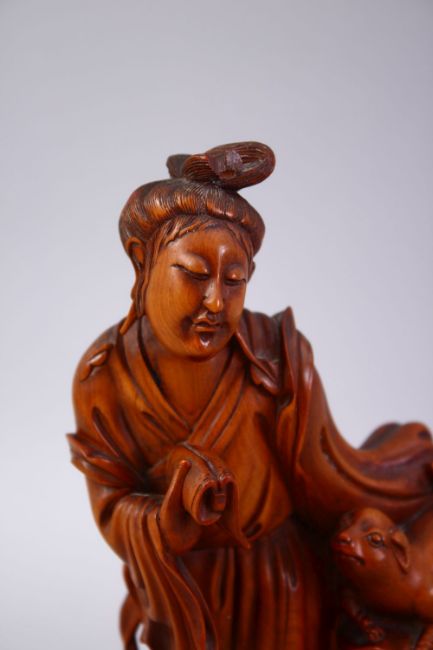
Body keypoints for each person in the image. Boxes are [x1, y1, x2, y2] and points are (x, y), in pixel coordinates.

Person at [68, 142, 433, 650]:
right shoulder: (103, 376)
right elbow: (110, 504)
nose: (216, 301)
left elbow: (328, 475)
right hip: (182, 585)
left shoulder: (276, 355)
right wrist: (165, 520)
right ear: (141, 260)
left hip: (279, 580)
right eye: (195, 275)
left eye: (234, 280)